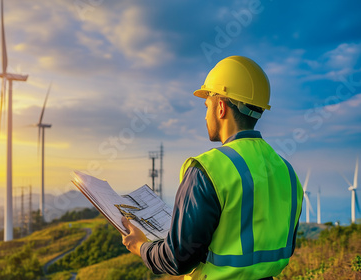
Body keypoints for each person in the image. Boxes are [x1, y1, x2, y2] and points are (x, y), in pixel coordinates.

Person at [121, 56, 304, 279]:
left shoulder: (207, 169)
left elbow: (178, 259)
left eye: (206, 105)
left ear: (220, 107)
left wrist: (140, 246)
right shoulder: (287, 172)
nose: (206, 115)